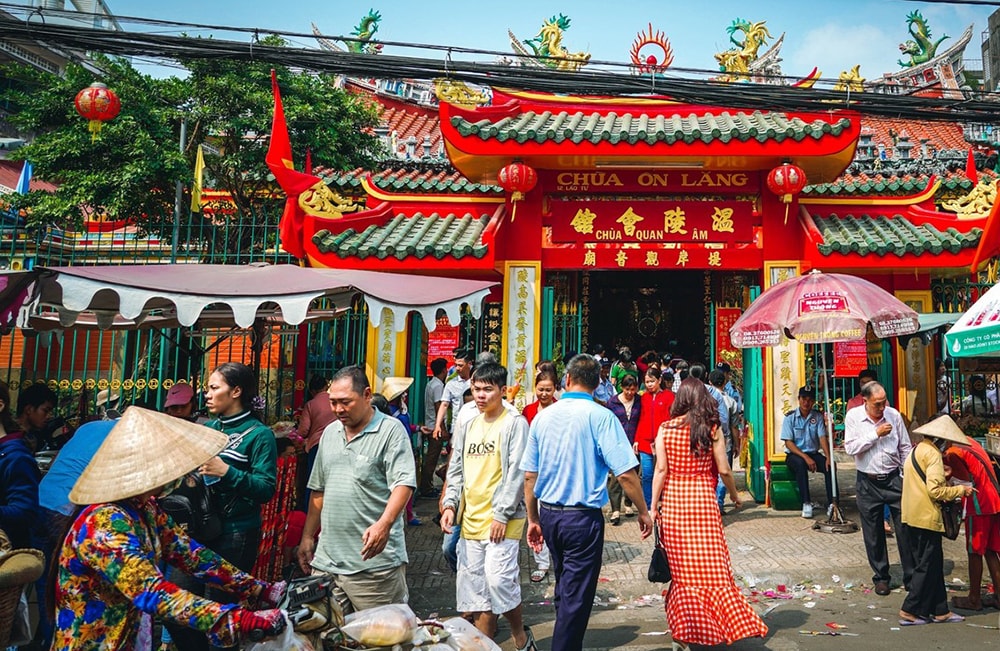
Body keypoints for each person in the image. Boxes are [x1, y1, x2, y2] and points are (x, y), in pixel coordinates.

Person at [50, 407, 287, 650]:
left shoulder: (145, 509)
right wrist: (235, 619)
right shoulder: (103, 522)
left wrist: (256, 588)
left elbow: (190, 553)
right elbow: (150, 591)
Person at [521, 354, 652, 651]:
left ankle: (566, 641)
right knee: (577, 593)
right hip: (582, 519)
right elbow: (626, 474)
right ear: (597, 384)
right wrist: (643, 511)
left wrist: (533, 518)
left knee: (566, 583)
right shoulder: (601, 416)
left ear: (567, 380)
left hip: (550, 514)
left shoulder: (543, 417)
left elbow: (530, 476)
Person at [167, 362, 278, 651]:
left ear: (236, 391)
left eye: (214, 388)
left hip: (235, 534)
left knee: (220, 617)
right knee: (176, 611)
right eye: (208, 387)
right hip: (197, 532)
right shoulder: (208, 428)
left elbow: (266, 489)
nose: (206, 394)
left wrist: (228, 473)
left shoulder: (259, 435)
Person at [652, 378, 766, 648]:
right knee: (711, 570)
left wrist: (653, 506)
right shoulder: (712, 429)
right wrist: (736, 496)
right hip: (704, 504)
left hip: (675, 506)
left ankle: (685, 631)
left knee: (683, 573)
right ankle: (719, 627)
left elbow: (661, 471)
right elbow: (725, 469)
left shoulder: (665, 429)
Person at [298, 366, 417, 613]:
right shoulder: (330, 433)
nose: (338, 409)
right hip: (327, 562)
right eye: (333, 402)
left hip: (373, 567)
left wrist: (384, 524)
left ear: (366, 395)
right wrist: (308, 536)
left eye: (345, 402)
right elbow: (318, 490)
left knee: (380, 639)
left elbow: (403, 484)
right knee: (329, 635)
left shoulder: (391, 431)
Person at [441, 363, 534, 651]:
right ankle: (485, 647)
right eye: (476, 389)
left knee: (499, 583)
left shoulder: (514, 423)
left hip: (502, 521)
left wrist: (502, 514)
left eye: (487, 390)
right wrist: (449, 504)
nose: (480, 396)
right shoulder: (469, 424)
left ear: (503, 391)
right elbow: (455, 469)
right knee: (475, 593)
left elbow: (518, 472)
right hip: (470, 520)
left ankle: (520, 634)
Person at [898, 416, 973, 625]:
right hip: (926, 516)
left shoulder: (917, 449)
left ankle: (941, 610)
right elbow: (936, 491)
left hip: (912, 514)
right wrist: (961, 490)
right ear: (940, 439)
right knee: (926, 565)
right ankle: (909, 609)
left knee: (933, 563)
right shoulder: (933, 454)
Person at [844, 381, 914, 596]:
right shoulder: (854, 417)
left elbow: (905, 446)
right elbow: (850, 448)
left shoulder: (894, 415)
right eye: (877, 404)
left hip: (894, 478)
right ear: (865, 400)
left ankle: (912, 577)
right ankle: (881, 577)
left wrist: (907, 475)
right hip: (867, 481)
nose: (882, 407)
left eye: (884, 402)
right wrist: (875, 434)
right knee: (873, 533)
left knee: (905, 529)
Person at [943, 433, 1000, 611]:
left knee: (974, 551)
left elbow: (962, 482)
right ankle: (998, 595)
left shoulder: (953, 452)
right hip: (993, 499)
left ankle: (974, 598)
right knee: (990, 551)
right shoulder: (970, 442)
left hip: (978, 503)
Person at [521, 371, 557, 582]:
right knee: (536, 516)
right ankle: (542, 562)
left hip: (555, 469)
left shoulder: (560, 409)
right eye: (540, 389)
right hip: (534, 469)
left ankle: (557, 556)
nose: (544, 393)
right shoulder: (528, 411)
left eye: (548, 389)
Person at [780, 386, 833, 519]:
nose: (806, 402)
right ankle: (806, 502)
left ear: (813, 401)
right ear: (799, 399)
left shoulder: (817, 417)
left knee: (830, 467)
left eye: (810, 399)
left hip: (813, 453)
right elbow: (788, 443)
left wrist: (828, 457)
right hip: (795, 455)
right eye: (804, 398)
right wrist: (805, 457)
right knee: (800, 464)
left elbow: (822, 438)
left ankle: (833, 503)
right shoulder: (790, 418)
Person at [634, 366, 673, 509]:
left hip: (663, 441)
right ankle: (649, 504)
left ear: (659, 380)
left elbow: (672, 419)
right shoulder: (643, 397)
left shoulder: (669, 396)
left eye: (652, 381)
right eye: (647, 382)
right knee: (647, 474)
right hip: (645, 441)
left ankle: (664, 501)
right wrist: (637, 439)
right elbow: (641, 418)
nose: (649, 384)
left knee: (664, 472)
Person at [606, 374, 641, 525]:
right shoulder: (612, 402)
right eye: (627, 389)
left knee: (633, 474)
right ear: (621, 387)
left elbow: (642, 421)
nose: (629, 393)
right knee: (616, 477)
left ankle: (628, 504)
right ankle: (615, 509)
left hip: (634, 443)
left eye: (633, 389)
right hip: (617, 443)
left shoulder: (639, 401)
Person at [420, 357, 448, 497]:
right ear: (444, 370)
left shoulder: (431, 384)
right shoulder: (438, 386)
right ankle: (426, 488)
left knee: (430, 458)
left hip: (429, 424)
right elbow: (439, 407)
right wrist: (441, 427)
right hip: (434, 427)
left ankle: (428, 485)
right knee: (432, 459)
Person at [299, 374, 335, 475]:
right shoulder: (336, 402)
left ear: (312, 391)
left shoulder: (311, 404)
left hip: (317, 444)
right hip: (337, 443)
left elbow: (303, 430)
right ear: (326, 387)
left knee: (314, 479)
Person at [16, 382, 57, 451]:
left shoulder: (34, 436)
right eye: (45, 411)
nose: (49, 416)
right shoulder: (12, 436)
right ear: (29, 409)